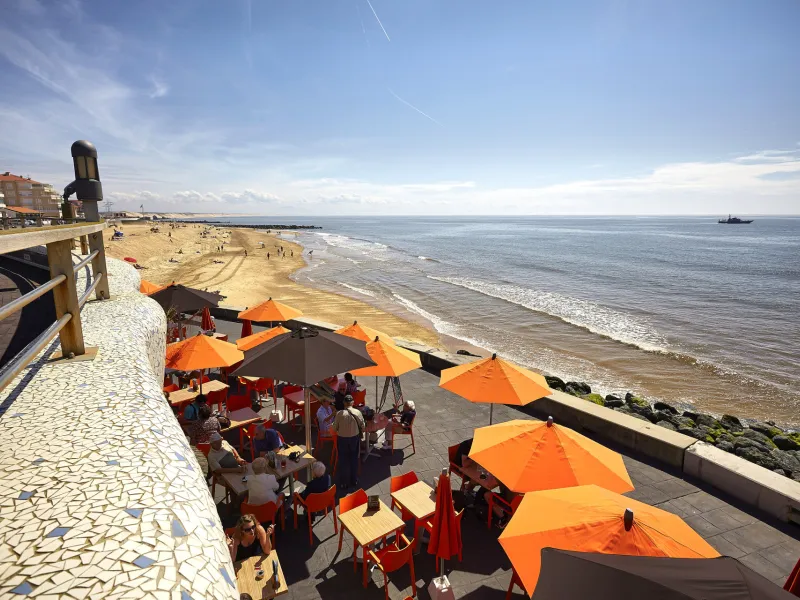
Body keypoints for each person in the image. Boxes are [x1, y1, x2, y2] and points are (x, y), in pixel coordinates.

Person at [332, 395, 364, 490]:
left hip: (342, 439)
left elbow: (334, 428)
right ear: (352, 403)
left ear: (344, 403)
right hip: (354, 438)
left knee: (343, 460)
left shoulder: (339, 414)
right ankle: (354, 480)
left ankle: (343, 482)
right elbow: (362, 426)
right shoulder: (358, 412)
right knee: (354, 459)